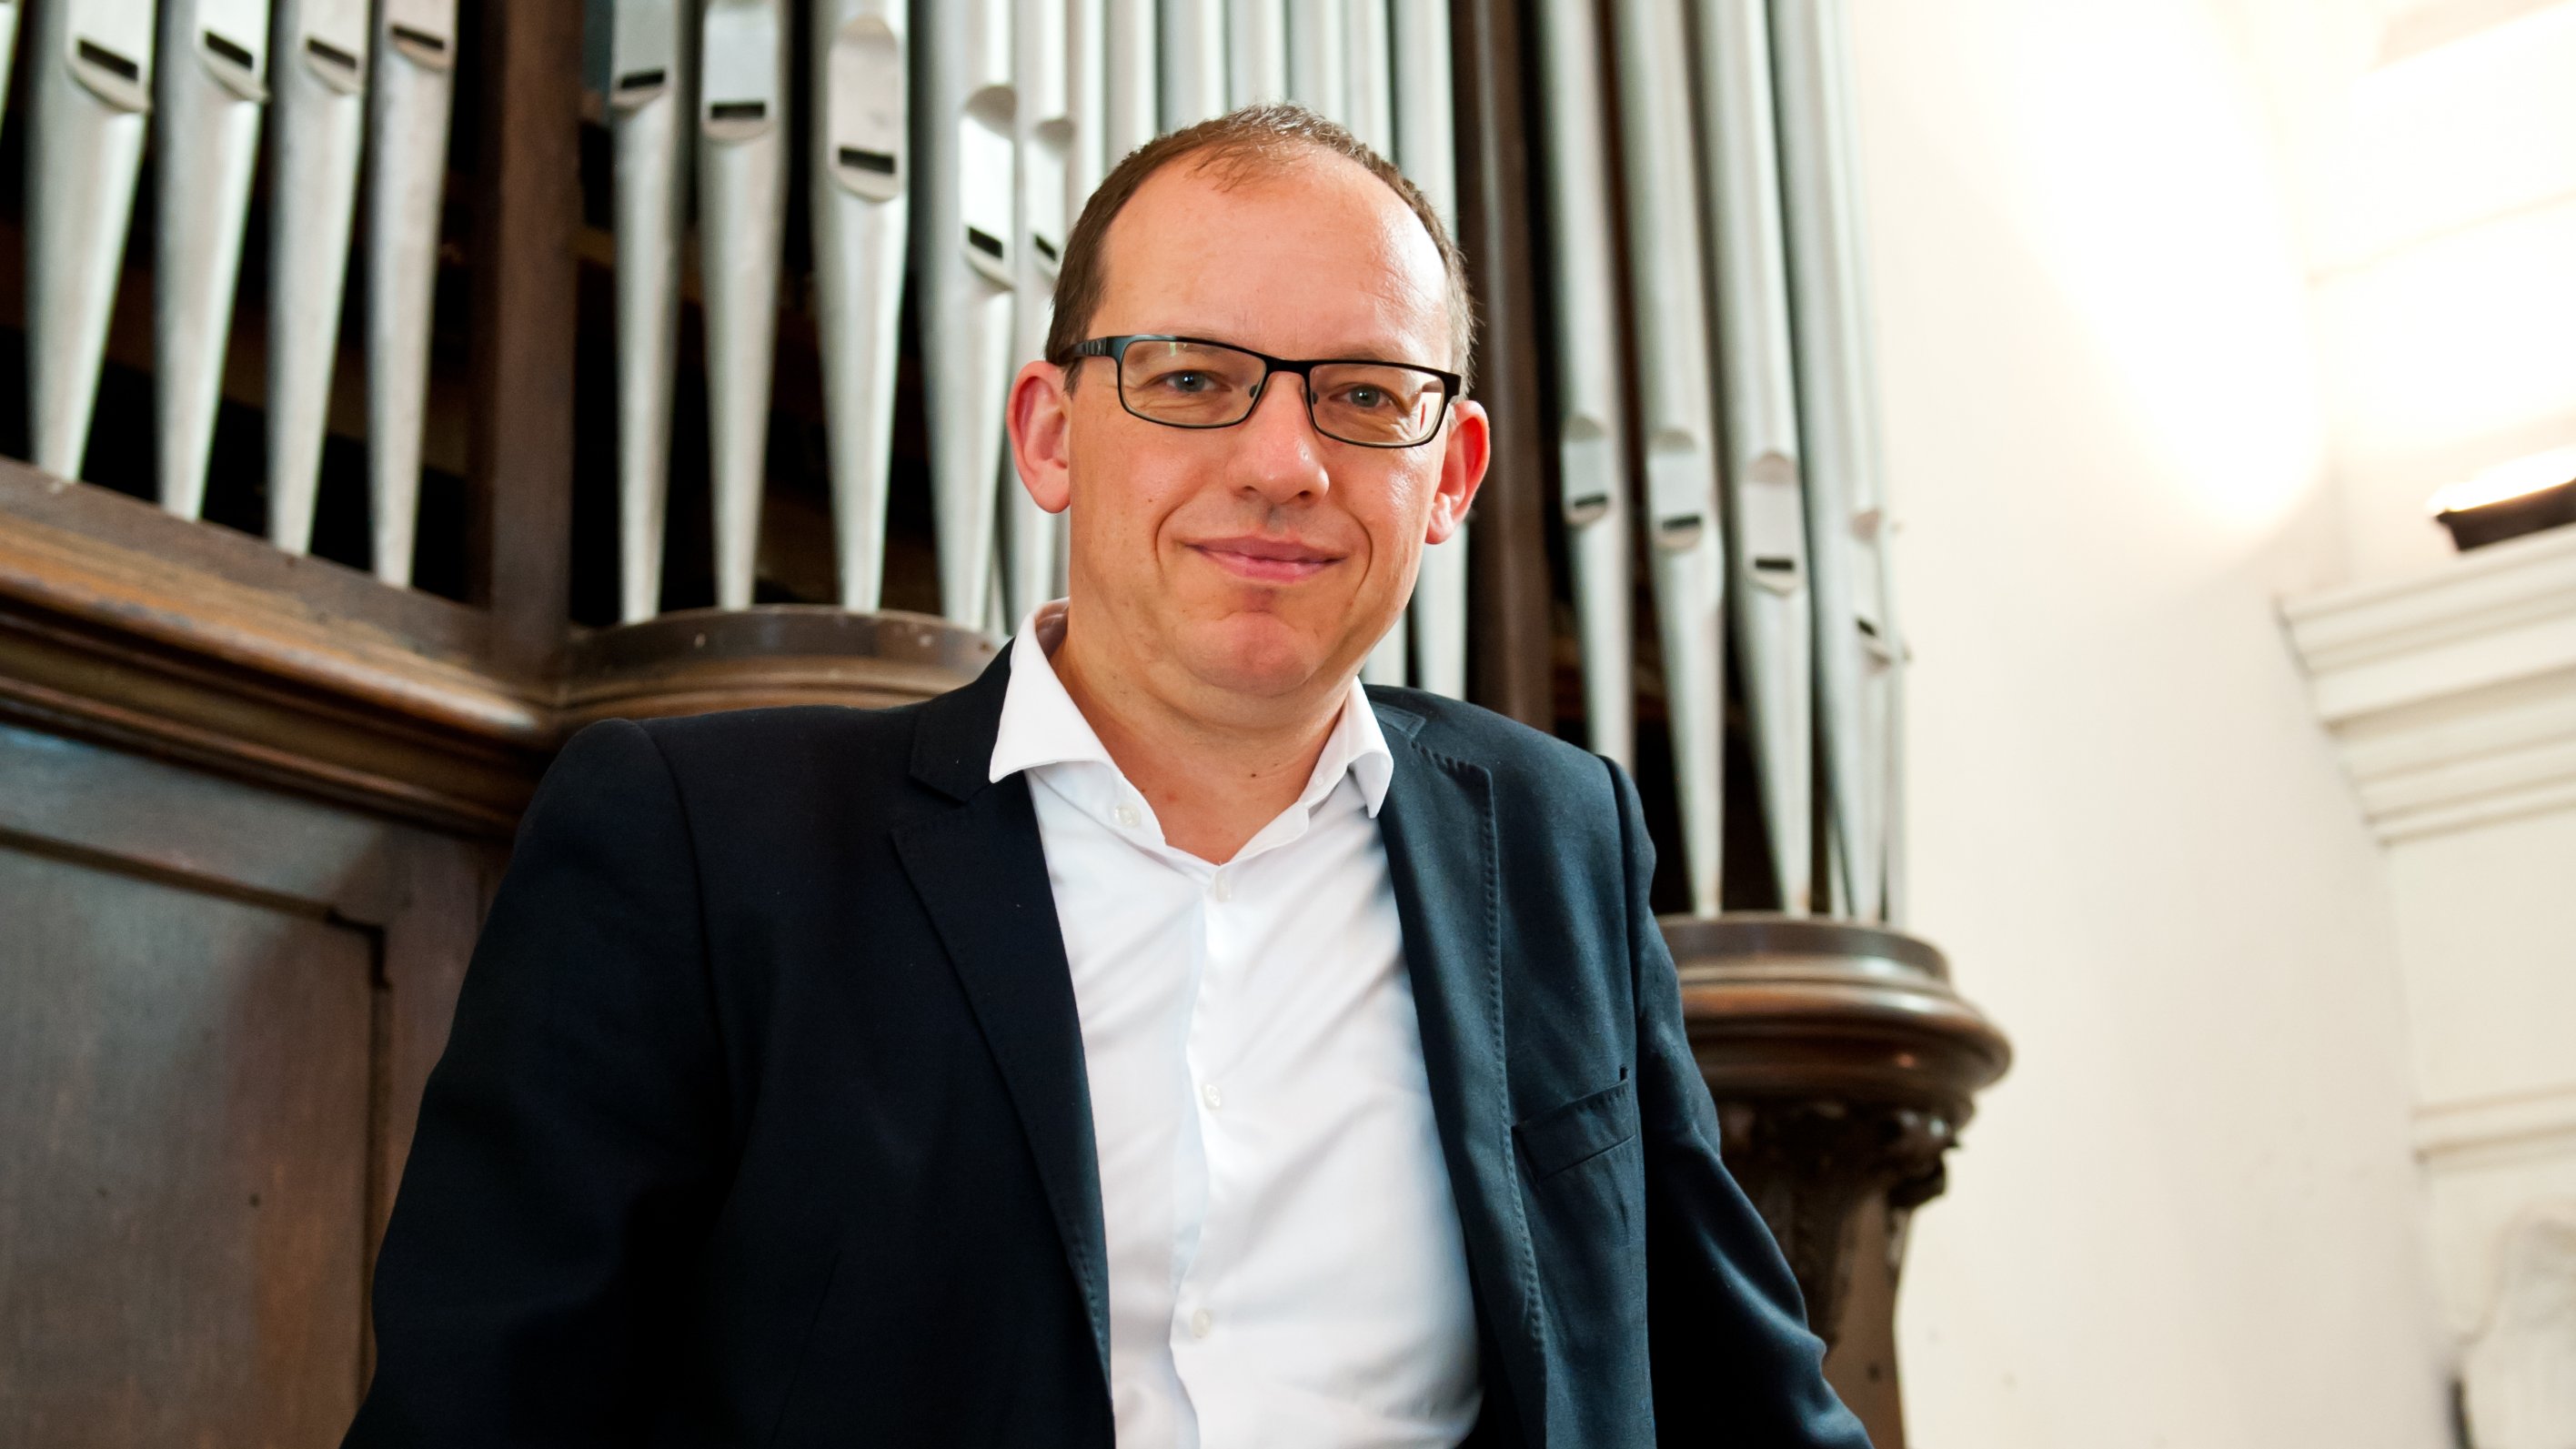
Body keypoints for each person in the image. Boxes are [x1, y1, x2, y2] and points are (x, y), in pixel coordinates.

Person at [344, 104, 1867, 1449]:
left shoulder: (1557, 841)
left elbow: (1743, 1391)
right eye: (1195, 379)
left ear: (1450, 471)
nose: (1284, 461)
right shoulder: (701, 844)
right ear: (1051, 431)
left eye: (1363, 395)